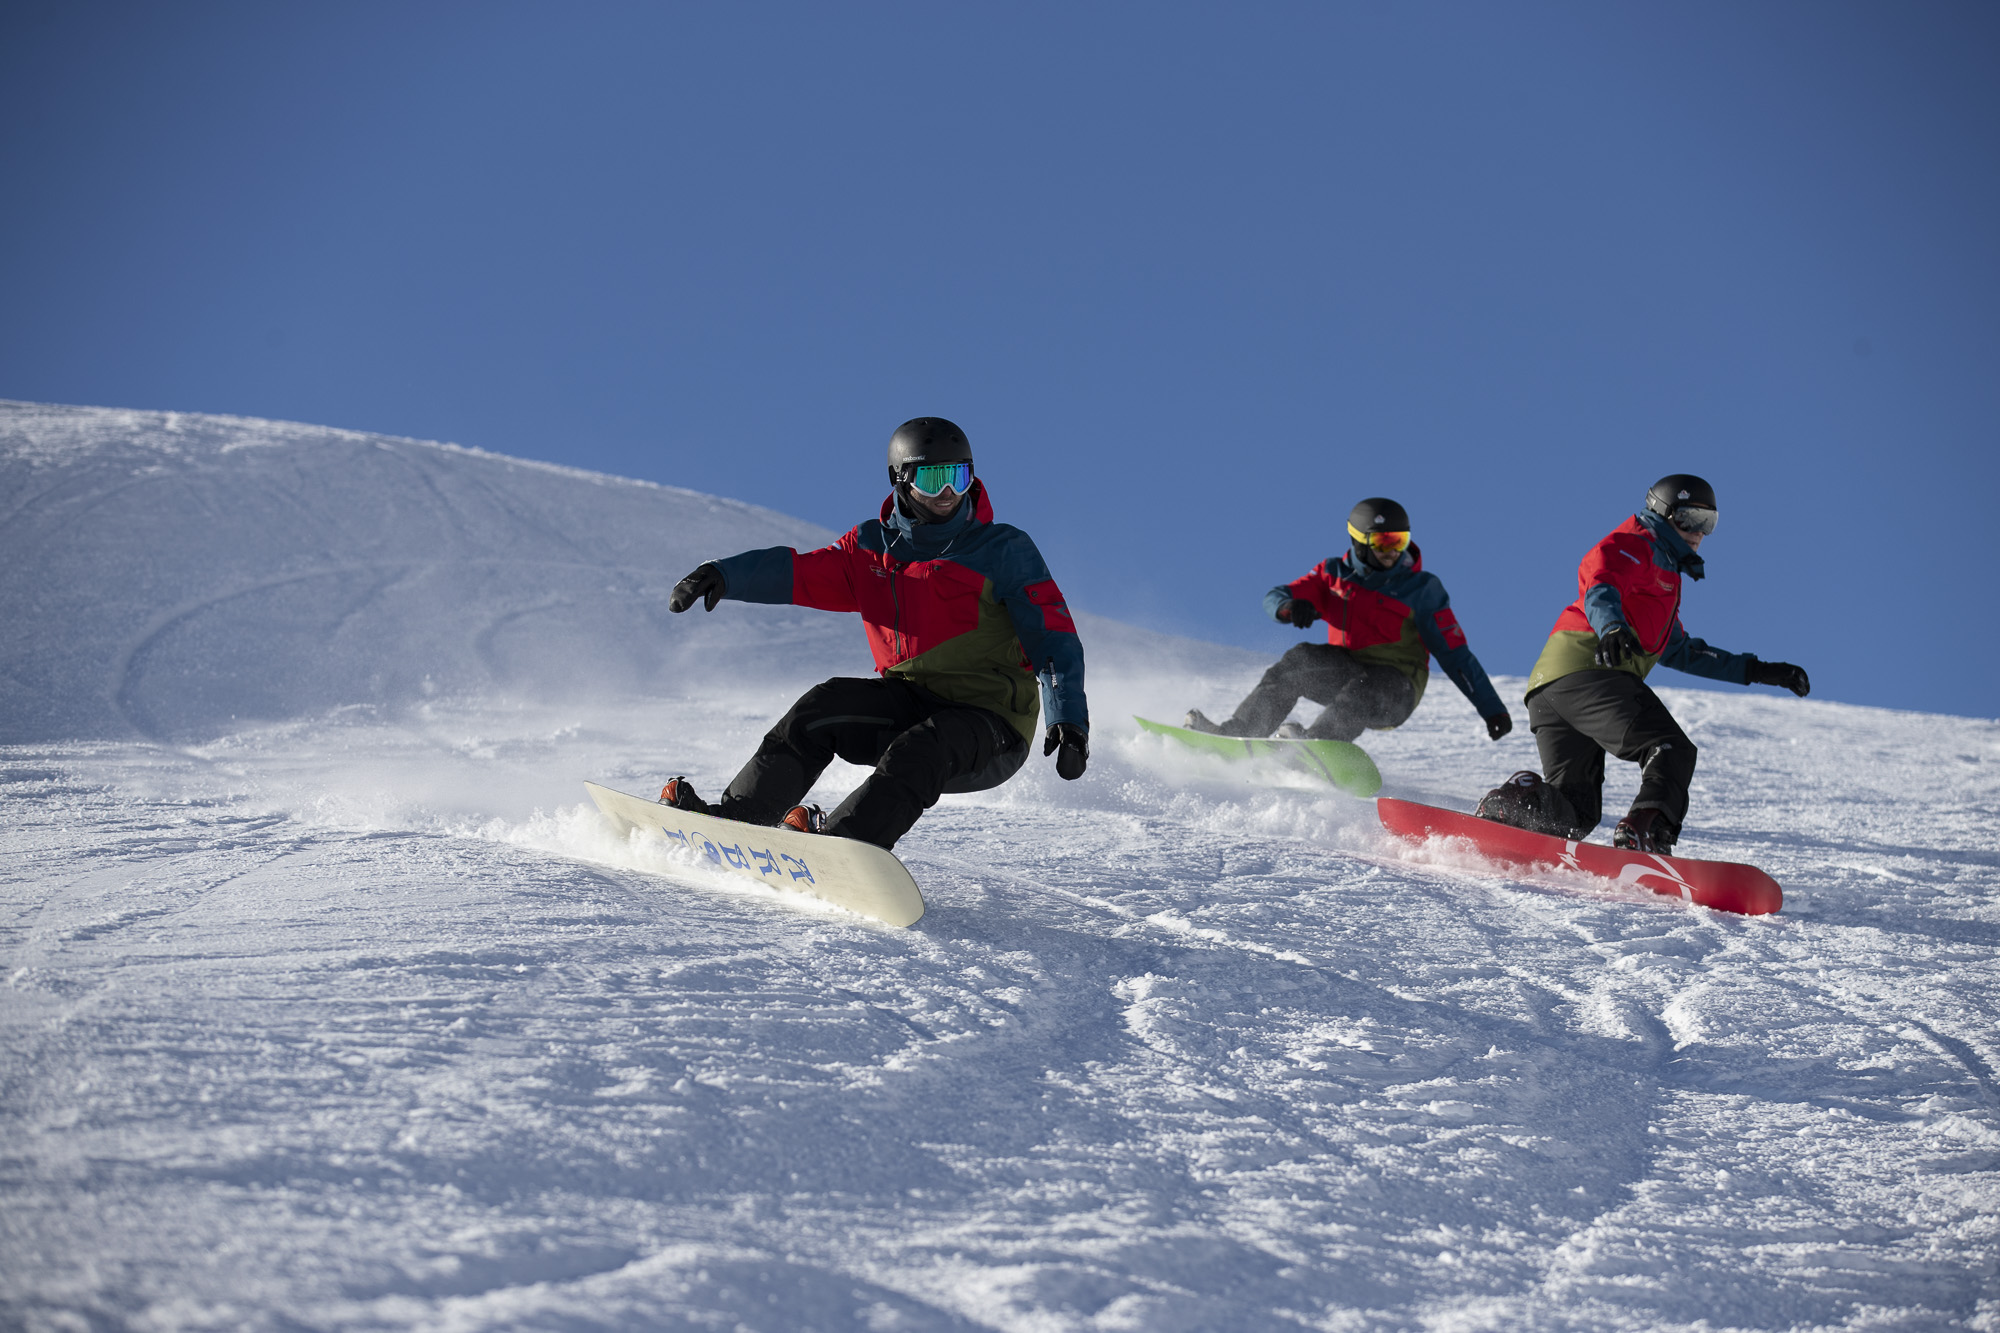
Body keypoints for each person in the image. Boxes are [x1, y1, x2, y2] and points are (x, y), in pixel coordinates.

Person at [658, 417, 1089, 850]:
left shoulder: (1004, 550)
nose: (947, 492)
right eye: (933, 478)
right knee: (821, 708)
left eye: (959, 477)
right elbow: (800, 574)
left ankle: (841, 847)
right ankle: (740, 821)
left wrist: (1068, 719)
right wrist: (724, 573)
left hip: (991, 722)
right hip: (911, 701)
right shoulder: (869, 550)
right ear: (900, 479)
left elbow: (1052, 635)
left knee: (920, 749)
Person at [1478, 474, 1810, 854]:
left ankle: (1518, 802)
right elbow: (1600, 583)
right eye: (1689, 519)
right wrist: (1612, 627)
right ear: (1663, 513)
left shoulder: (1664, 576)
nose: (1698, 533)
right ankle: (1647, 834)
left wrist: (1759, 671)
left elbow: (1681, 650)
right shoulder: (1638, 544)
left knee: (1577, 812)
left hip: (1549, 687)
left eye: (1708, 523)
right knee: (1670, 748)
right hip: (1588, 670)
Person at [1184, 497, 1512, 745]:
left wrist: (1491, 709)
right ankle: (1238, 736)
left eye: (1399, 541)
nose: (1392, 552)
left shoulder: (1422, 589)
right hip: (1347, 671)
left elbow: (1456, 655)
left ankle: (1317, 746)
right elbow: (1276, 595)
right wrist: (1289, 607)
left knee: (1364, 687)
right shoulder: (1333, 574)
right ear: (1359, 541)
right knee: (1299, 659)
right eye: (1383, 542)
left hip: (1396, 689)